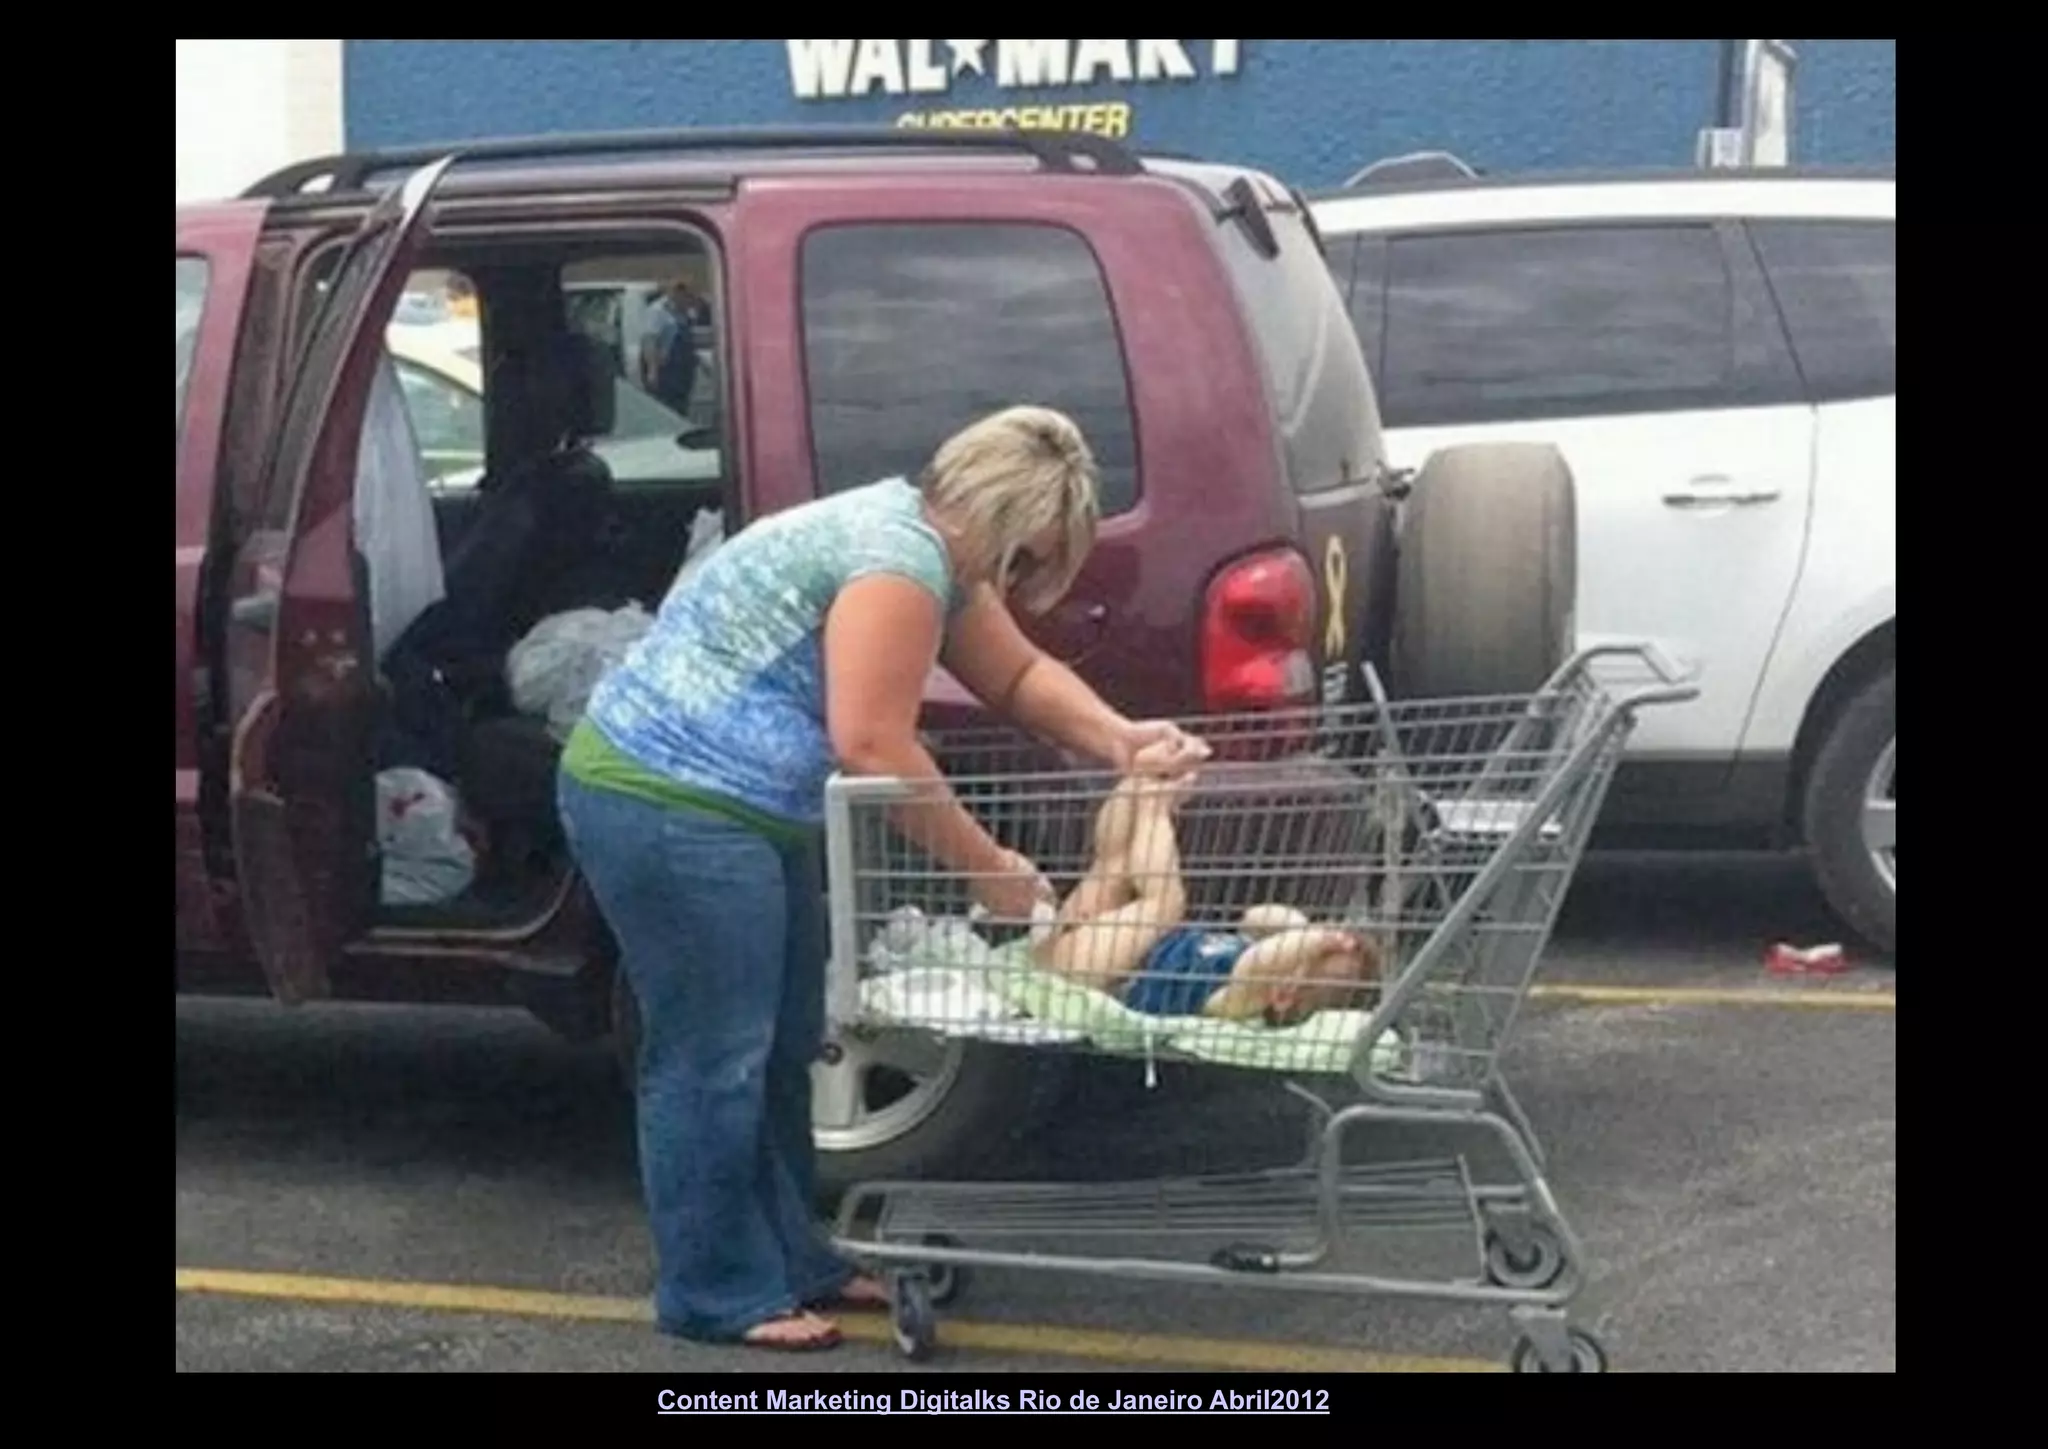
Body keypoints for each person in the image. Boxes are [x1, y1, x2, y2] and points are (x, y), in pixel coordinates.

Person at [556, 405, 1208, 1352]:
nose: (1028, 583)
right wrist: (987, 868)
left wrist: (1123, 739)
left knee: (780, 1048)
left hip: (741, 809)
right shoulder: (897, 562)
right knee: (712, 1057)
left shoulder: (937, 550)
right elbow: (872, 742)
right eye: (1035, 556)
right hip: (666, 801)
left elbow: (1020, 676)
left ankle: (793, 1259)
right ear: (1007, 524)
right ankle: (712, 1290)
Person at [1029, 751, 1382, 1024]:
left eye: (1296, 956)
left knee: (1165, 903)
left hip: (1100, 974)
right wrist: (1303, 929)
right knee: (1113, 865)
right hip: (1106, 946)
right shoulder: (1250, 948)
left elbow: (1256, 962)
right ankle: (1138, 782)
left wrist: (1318, 941)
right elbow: (1256, 917)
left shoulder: (1239, 1000)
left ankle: (1154, 806)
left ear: (1283, 996)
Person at [639, 278, 707, 416]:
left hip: (683, 373)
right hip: (666, 372)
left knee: (682, 409)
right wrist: (653, 371)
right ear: (677, 294)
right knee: (665, 411)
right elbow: (649, 340)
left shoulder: (684, 313)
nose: (689, 302)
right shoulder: (658, 312)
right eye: (688, 298)